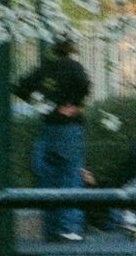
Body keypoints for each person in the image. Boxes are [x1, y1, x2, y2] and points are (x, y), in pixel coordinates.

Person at [15, 35, 91, 241]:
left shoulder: (45, 68)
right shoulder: (75, 67)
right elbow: (85, 85)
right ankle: (70, 228)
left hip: (48, 127)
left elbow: (20, 87)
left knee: (50, 177)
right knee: (71, 175)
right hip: (70, 128)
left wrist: (43, 104)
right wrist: (74, 105)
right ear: (71, 48)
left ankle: (51, 229)